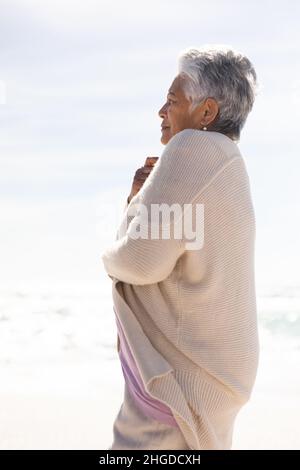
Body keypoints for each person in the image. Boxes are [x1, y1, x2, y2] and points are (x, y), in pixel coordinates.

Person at [102, 44, 260, 450]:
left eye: (172, 101)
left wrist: (107, 255)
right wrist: (138, 200)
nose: (161, 111)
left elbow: (139, 261)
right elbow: (171, 243)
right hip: (214, 375)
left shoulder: (193, 148)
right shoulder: (227, 162)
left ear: (206, 113)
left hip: (178, 383)